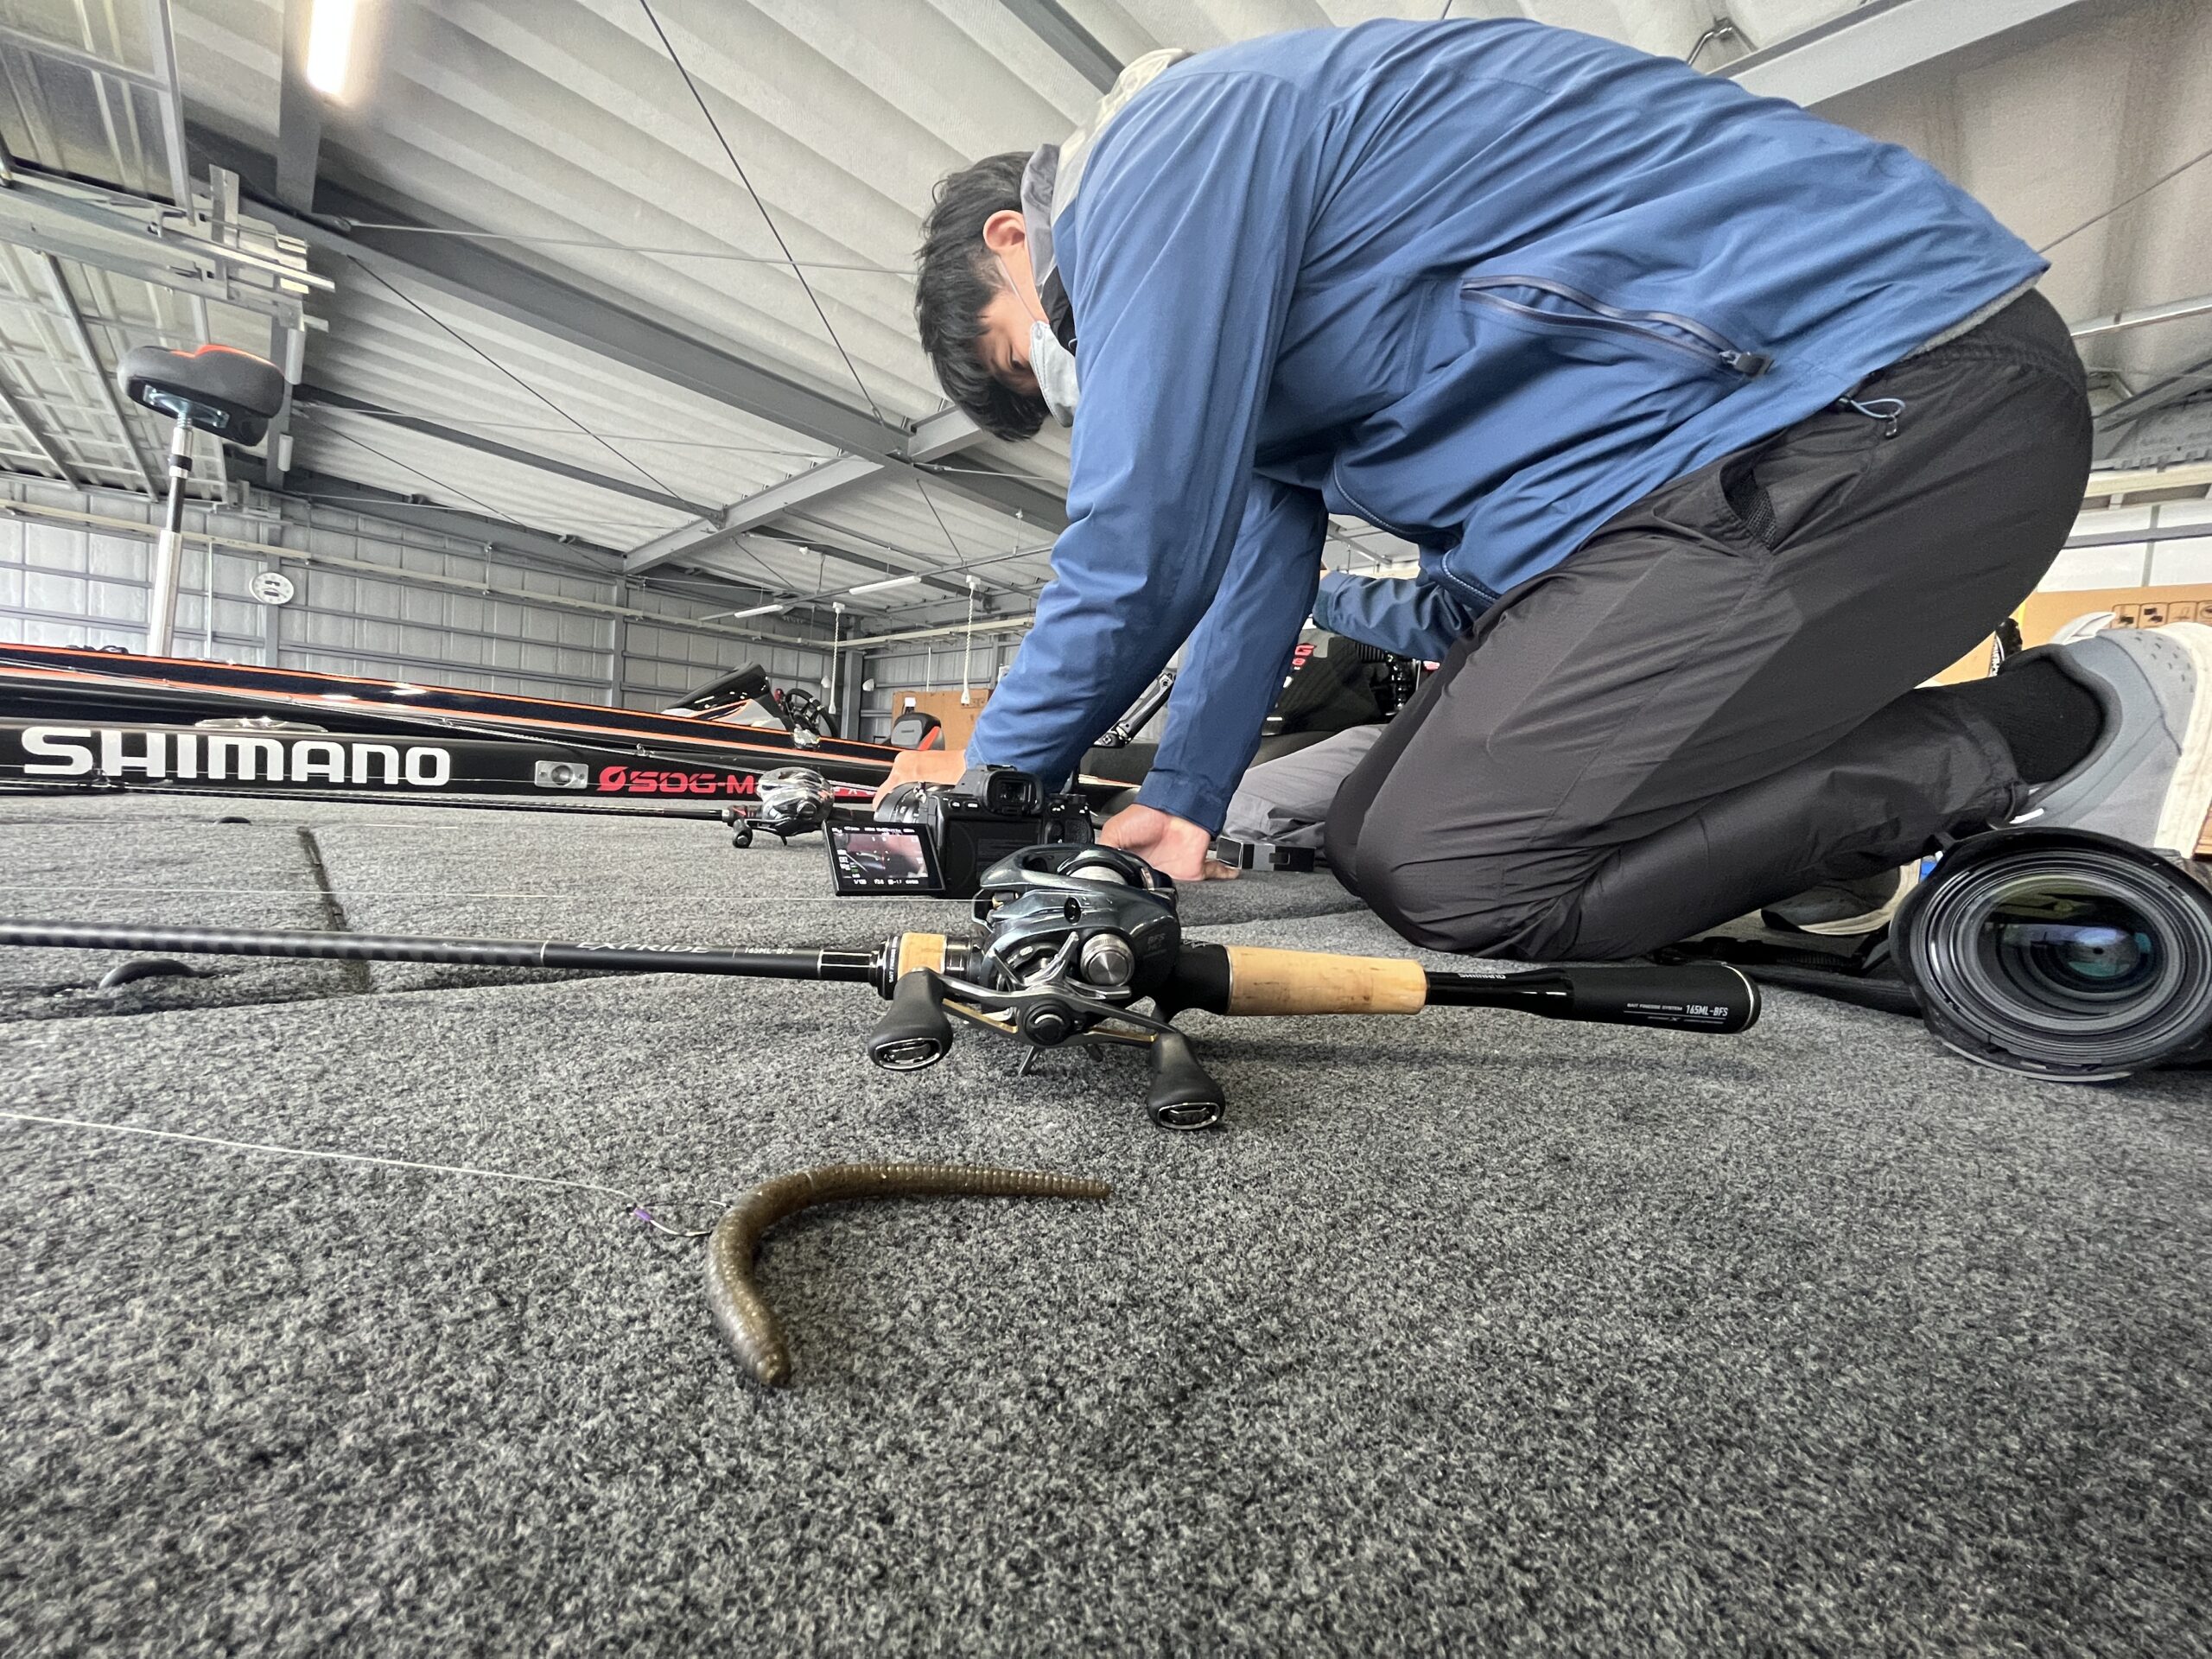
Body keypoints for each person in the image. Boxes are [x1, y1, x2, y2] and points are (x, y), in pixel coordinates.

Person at [880, 17, 2212, 962]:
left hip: (1879, 403)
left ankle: (2075, 718)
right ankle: (1832, 838)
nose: (1080, 382)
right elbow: (1245, 565)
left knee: (1458, 874)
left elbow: (1144, 538)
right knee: (1371, 830)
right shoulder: (1257, 309)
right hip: (1735, 470)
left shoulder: (1175, 147)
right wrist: (1182, 796)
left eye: (1038, 355)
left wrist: (989, 792)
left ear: (1019, 236)